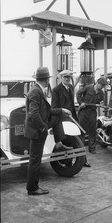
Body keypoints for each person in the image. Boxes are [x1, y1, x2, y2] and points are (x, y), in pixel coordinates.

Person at [24, 67, 72, 196]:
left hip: (38, 129)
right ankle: (33, 188)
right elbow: (34, 114)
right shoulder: (36, 92)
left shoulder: (38, 90)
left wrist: (61, 110)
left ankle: (59, 143)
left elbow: (47, 111)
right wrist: (43, 127)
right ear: (46, 79)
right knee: (35, 160)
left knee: (35, 159)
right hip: (37, 131)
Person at [51, 69, 91, 167]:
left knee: (81, 135)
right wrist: (63, 110)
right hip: (62, 118)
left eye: (69, 77)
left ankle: (82, 160)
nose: (67, 79)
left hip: (72, 116)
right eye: (65, 77)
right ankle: (68, 162)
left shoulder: (71, 87)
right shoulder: (56, 90)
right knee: (68, 138)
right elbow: (54, 107)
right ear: (61, 78)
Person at [76, 77, 107, 154]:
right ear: (97, 83)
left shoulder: (101, 93)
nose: (102, 87)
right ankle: (81, 148)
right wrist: (80, 103)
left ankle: (92, 148)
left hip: (92, 112)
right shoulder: (87, 88)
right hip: (84, 111)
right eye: (102, 85)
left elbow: (102, 102)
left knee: (92, 130)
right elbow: (78, 93)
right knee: (81, 130)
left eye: (103, 86)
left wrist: (102, 103)